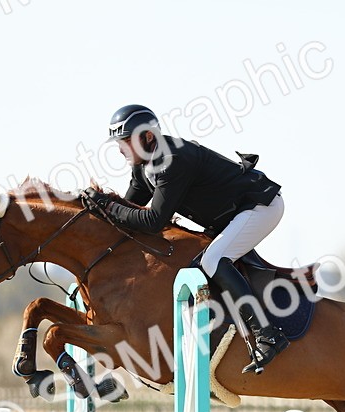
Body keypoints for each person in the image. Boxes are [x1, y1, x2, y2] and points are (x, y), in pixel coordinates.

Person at [83, 104, 289, 374]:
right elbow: (129, 209)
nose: (120, 149)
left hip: (260, 207)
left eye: (124, 141)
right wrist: (97, 210)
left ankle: (267, 334)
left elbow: (152, 221)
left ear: (146, 137)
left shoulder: (173, 160)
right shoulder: (143, 165)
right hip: (233, 214)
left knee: (214, 259)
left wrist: (107, 206)